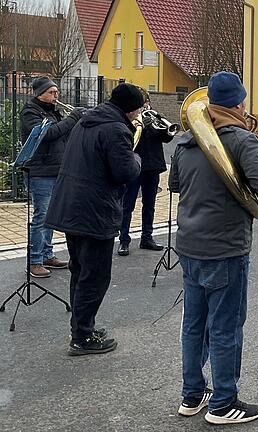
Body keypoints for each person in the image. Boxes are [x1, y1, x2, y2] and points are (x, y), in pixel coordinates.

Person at [169, 72, 258, 425]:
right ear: (239, 104)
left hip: (189, 246)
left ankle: (192, 394)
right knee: (226, 328)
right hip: (225, 248)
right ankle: (223, 403)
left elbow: (175, 184)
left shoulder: (187, 142)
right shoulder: (241, 139)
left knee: (194, 324)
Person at [45, 83, 143, 356]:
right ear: (130, 108)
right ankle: (83, 337)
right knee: (95, 276)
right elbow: (125, 171)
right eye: (138, 109)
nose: (139, 114)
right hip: (93, 211)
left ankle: (81, 327)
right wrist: (136, 156)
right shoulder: (116, 129)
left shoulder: (86, 121)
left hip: (70, 206)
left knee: (80, 270)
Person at [19, 76, 86, 278]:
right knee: (41, 217)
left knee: (52, 216)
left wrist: (77, 124)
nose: (56, 96)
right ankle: (35, 260)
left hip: (56, 170)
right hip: (40, 172)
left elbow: (62, 135)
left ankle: (47, 254)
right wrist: (72, 118)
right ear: (40, 94)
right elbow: (47, 135)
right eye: (52, 92)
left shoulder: (53, 112)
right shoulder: (30, 112)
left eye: (57, 92)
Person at [117, 89, 173, 256]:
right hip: (134, 166)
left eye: (145, 102)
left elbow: (167, 137)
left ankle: (147, 237)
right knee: (128, 205)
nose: (144, 106)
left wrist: (159, 123)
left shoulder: (154, 117)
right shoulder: (128, 119)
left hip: (153, 166)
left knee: (150, 205)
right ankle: (124, 240)